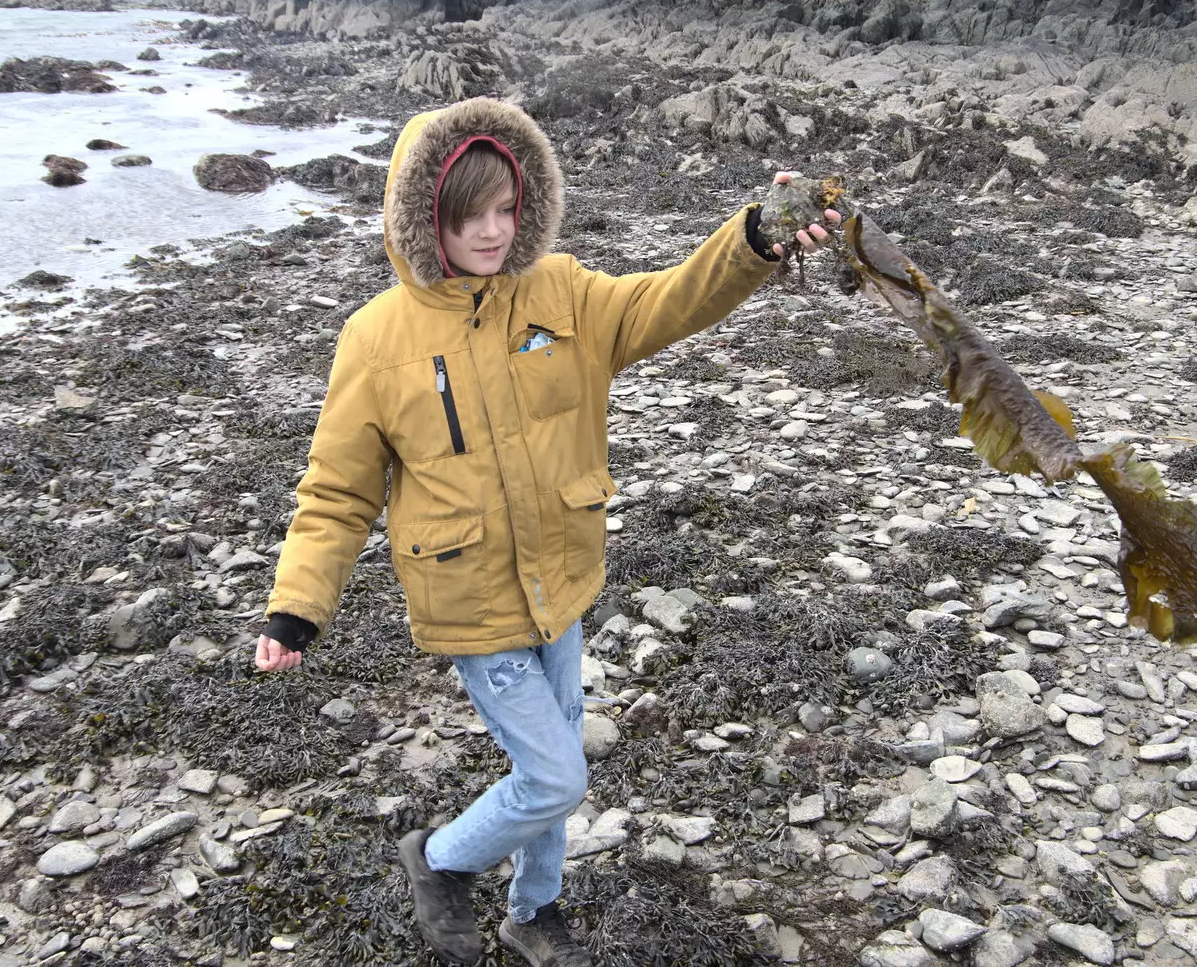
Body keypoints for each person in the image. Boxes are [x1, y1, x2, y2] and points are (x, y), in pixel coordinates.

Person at [253, 97, 838, 966]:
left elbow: (668, 301)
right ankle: (441, 861)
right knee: (559, 775)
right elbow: (337, 491)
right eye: (467, 216)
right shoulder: (374, 340)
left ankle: (534, 911)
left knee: (552, 768)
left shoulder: (561, 293)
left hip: (561, 578)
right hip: (472, 602)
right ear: (424, 218)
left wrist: (753, 238)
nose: (491, 232)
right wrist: (296, 607)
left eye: (505, 210)